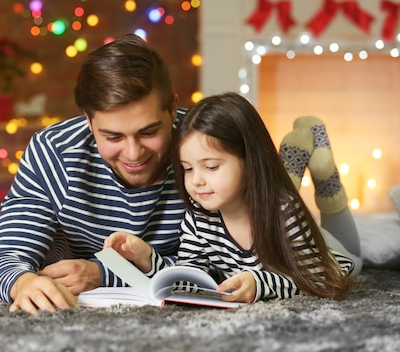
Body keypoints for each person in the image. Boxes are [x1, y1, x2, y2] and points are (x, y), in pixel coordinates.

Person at [0, 33, 188, 314]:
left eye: (149, 132)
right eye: (113, 137)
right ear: (88, 121)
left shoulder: (208, 148)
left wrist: (103, 274)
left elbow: (228, 265)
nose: (133, 153)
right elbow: (4, 259)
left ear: (173, 108)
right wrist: (24, 283)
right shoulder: (53, 152)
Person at [105, 92, 362, 303]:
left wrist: (259, 283)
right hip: (263, 200)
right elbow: (191, 277)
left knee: (355, 252)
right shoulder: (198, 215)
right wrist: (147, 257)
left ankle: (326, 178)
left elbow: (319, 279)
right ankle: (296, 159)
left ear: (250, 161)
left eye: (211, 167)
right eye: (187, 168)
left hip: (333, 258)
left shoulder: (284, 211)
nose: (196, 181)